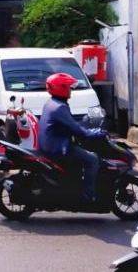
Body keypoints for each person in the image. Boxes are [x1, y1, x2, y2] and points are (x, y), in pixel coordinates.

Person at [38, 73, 104, 203]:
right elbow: (77, 129)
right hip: (58, 147)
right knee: (93, 160)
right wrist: (95, 132)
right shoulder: (59, 107)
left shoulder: (52, 103)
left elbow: (70, 124)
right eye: (68, 87)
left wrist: (85, 126)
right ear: (61, 88)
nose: (71, 90)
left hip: (52, 142)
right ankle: (87, 196)